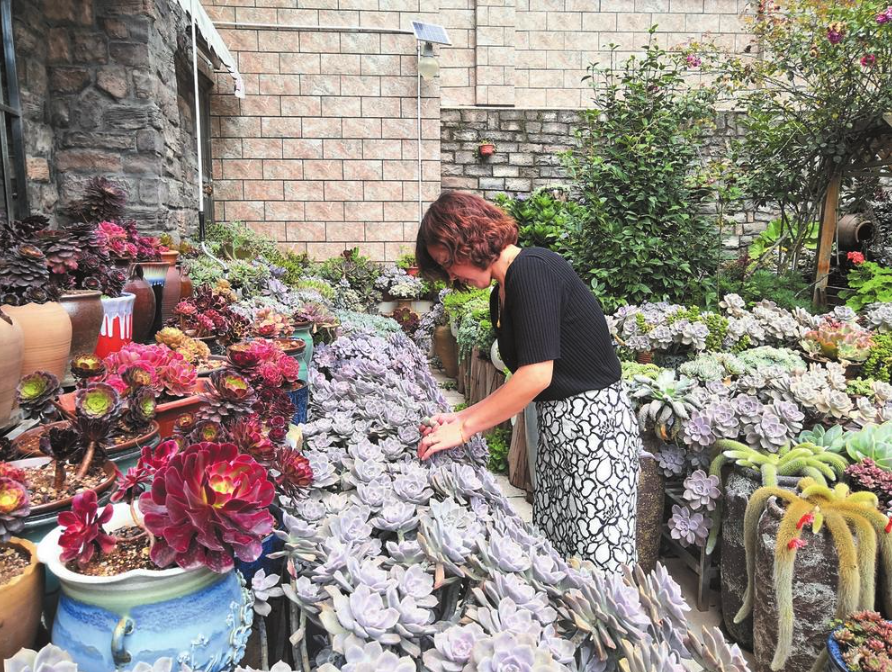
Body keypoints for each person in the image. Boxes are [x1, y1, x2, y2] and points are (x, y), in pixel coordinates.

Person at [415, 190, 640, 573]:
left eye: (448, 261)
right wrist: (459, 417)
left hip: (596, 432)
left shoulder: (533, 269)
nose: (451, 275)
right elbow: (525, 378)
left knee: (598, 567)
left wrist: (465, 428)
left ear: (470, 239)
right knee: (559, 558)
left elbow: (536, 375)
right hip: (558, 433)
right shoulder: (502, 294)